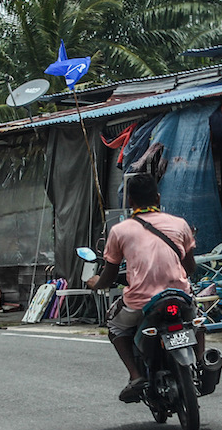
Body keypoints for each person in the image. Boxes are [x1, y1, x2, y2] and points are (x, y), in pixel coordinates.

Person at [85, 172, 198, 402]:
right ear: (157, 198)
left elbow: (110, 274)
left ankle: (136, 376)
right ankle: (202, 361)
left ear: (130, 202)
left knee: (114, 325)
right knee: (197, 319)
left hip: (141, 303)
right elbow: (191, 267)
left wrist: (97, 284)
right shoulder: (180, 224)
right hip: (179, 296)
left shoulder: (120, 231)